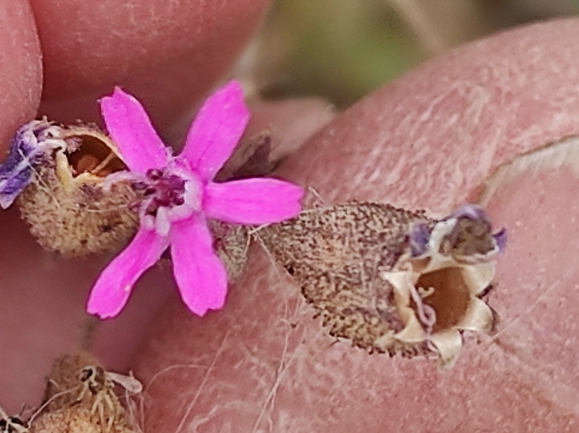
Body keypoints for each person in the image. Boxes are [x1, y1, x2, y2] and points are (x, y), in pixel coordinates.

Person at [1, 1, 577, 431]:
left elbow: (258, 188)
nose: (167, 192)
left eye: (166, 186)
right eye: (157, 191)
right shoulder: (151, 217)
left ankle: (413, 283)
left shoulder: (222, 194)